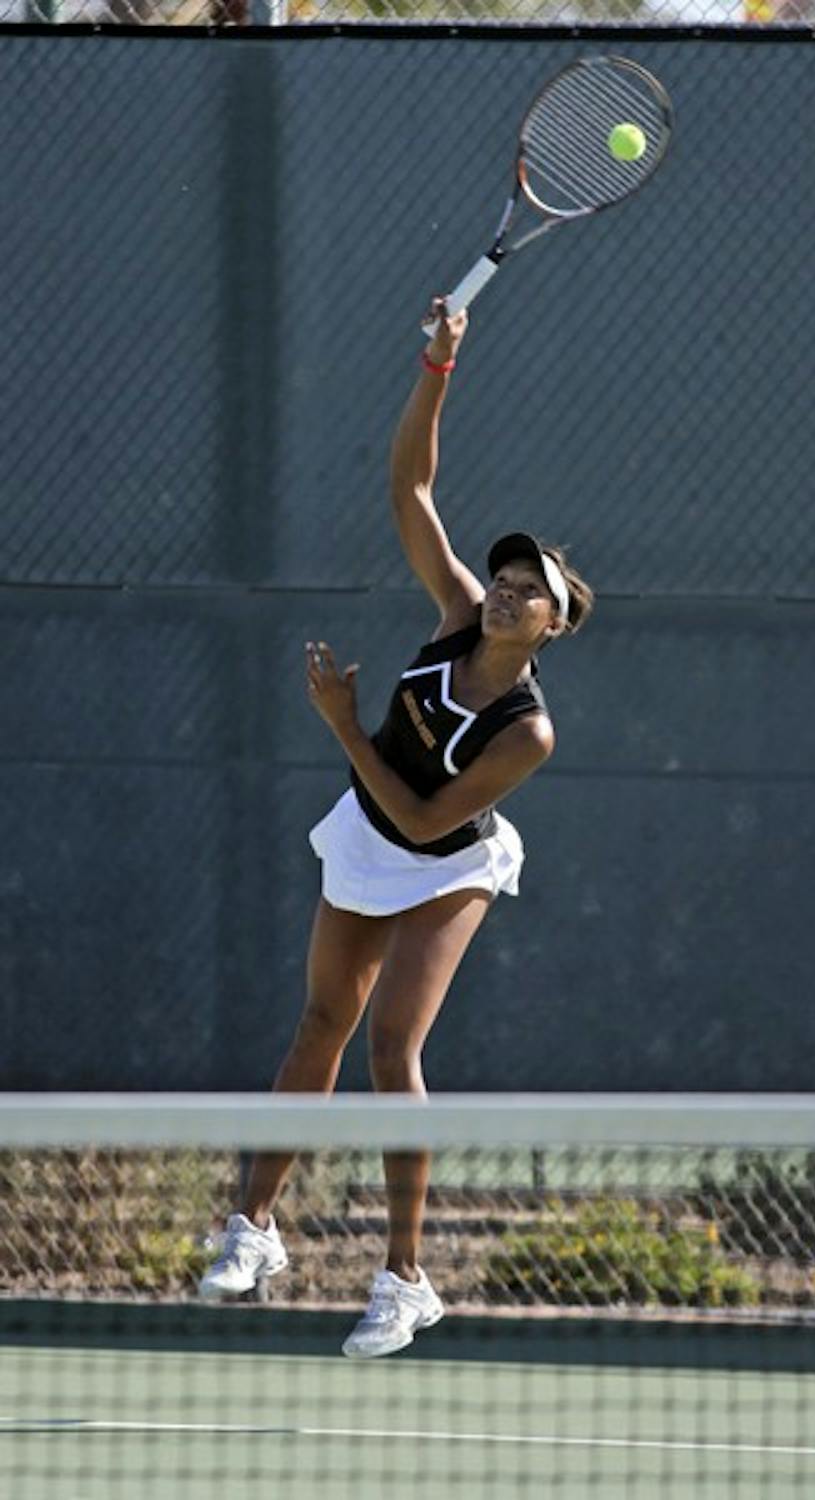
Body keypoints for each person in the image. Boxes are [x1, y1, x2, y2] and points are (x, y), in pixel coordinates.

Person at [198, 298, 594, 1358]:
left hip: (446, 857)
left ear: (553, 625)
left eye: (530, 593)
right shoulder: (454, 612)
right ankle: (254, 1227)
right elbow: (409, 486)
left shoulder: (528, 731)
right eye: (504, 580)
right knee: (319, 1025)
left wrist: (339, 726)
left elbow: (425, 815)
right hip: (368, 832)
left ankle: (406, 1278)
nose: (507, 594)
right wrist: (437, 362)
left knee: (389, 1046)